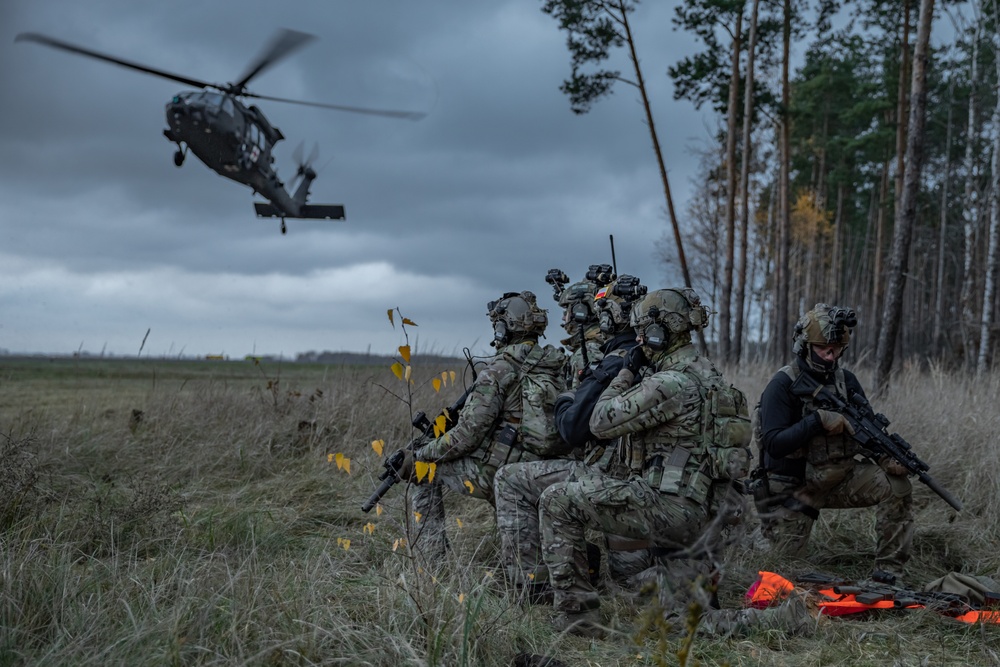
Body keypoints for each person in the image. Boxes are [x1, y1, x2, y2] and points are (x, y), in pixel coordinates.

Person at [538, 287, 766, 637]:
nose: (640, 339)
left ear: (660, 332)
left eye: (643, 331)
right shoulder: (714, 380)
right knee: (680, 623)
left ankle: (577, 619)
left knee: (557, 500)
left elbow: (599, 422)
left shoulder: (669, 383)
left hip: (670, 512)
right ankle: (781, 618)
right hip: (707, 518)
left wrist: (625, 372)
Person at [494, 276, 650, 602]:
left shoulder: (604, 358)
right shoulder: (652, 356)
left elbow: (573, 428)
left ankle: (534, 588)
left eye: (569, 311)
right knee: (631, 585)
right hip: (652, 480)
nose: (564, 319)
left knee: (512, 480)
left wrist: (567, 397)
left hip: (612, 475)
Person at [396, 291, 568, 561]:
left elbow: (466, 436)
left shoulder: (499, 369)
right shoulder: (558, 363)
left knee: (422, 473)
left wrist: (421, 455)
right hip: (547, 468)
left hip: (505, 471)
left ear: (503, 327)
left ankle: (433, 562)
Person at [753, 303, 914, 581]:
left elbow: (866, 430)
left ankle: (889, 574)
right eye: (823, 349)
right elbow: (774, 444)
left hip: (839, 477)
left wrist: (886, 457)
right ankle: (756, 535)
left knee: (896, 485)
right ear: (804, 346)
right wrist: (817, 421)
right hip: (796, 488)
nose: (831, 356)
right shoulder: (782, 385)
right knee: (779, 572)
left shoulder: (846, 381)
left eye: (837, 350)